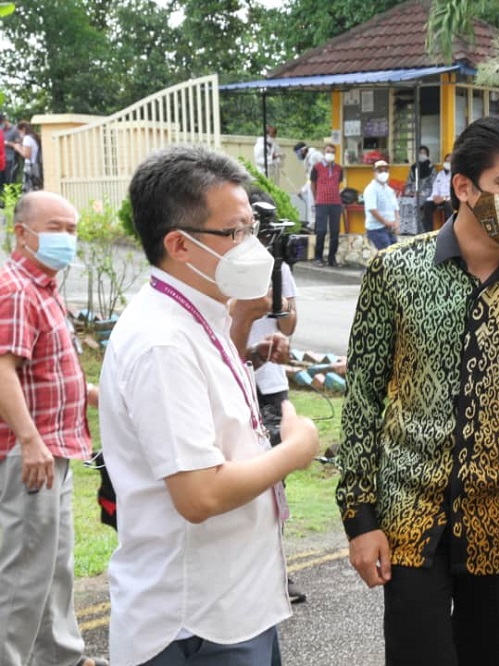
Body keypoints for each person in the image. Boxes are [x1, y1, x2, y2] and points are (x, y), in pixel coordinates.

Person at [336, 115, 499, 666]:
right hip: (409, 522)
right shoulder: (395, 271)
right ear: (463, 187)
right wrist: (359, 519)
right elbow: (362, 401)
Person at [99, 145, 319, 666]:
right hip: (195, 623)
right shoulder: (162, 342)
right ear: (179, 244)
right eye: (237, 232)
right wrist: (297, 448)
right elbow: (198, 495)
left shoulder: (205, 314)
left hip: (236, 601)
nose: (253, 246)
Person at [0, 191, 106, 666]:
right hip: (29, 455)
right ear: (21, 233)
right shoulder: (15, 288)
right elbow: (3, 371)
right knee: (21, 575)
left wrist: (111, 394)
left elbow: (48, 377)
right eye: (56, 228)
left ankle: (60, 657)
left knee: (53, 564)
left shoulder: (43, 288)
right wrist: (29, 440)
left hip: (53, 449)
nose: (67, 238)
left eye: (72, 228)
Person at [229, 187, 306, 605]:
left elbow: (289, 325)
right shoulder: (221, 270)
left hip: (269, 381)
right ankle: (248, 573)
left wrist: (277, 302)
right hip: (233, 381)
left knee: (274, 480)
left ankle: (278, 569)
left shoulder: (278, 267)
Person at [310, 143, 344, 267]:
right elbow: (313, 184)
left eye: (332, 152)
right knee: (321, 230)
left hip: (336, 203)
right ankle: (318, 258)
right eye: (328, 151)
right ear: (324, 153)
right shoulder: (317, 167)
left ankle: (332, 258)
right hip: (321, 202)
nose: (330, 154)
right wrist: (316, 198)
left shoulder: (339, 169)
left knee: (335, 231)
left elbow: (338, 183)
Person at [363, 159, 399, 250]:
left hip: (389, 228)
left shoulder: (389, 190)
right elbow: (372, 210)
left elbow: (395, 208)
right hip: (377, 229)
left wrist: (396, 223)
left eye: (385, 171)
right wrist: (385, 222)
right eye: (380, 171)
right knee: (387, 254)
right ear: (374, 173)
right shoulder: (371, 189)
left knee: (395, 253)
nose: (383, 173)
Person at [293, 142, 324, 228]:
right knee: (312, 207)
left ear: (303, 150)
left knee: (315, 207)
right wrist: (303, 190)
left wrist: (303, 190)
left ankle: (315, 226)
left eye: (298, 153)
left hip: (319, 186)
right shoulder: (307, 159)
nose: (298, 155)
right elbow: (310, 178)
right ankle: (313, 225)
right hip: (312, 186)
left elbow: (315, 176)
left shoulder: (315, 156)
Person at [405, 145, 435, 233]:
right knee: (404, 202)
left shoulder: (431, 168)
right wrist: (410, 192)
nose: (422, 155)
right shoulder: (413, 168)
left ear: (427, 155)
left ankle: (421, 230)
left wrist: (422, 193)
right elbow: (409, 182)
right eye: (420, 153)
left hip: (425, 194)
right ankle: (408, 229)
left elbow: (433, 184)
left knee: (418, 204)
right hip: (413, 194)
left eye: (424, 153)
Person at [422, 152, 454, 233]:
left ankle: (448, 231)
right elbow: (435, 187)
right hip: (438, 199)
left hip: (449, 199)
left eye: (450, 162)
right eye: (446, 161)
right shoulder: (440, 174)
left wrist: (444, 198)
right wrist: (435, 197)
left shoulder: (455, 175)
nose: (448, 163)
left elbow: (455, 192)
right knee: (427, 205)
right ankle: (429, 232)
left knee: (448, 205)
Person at [14, 121, 41, 192]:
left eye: (19, 132)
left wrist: (18, 148)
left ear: (23, 129)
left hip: (30, 166)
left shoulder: (27, 138)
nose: (19, 134)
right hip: (36, 165)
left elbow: (27, 155)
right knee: (36, 188)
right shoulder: (34, 137)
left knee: (28, 189)